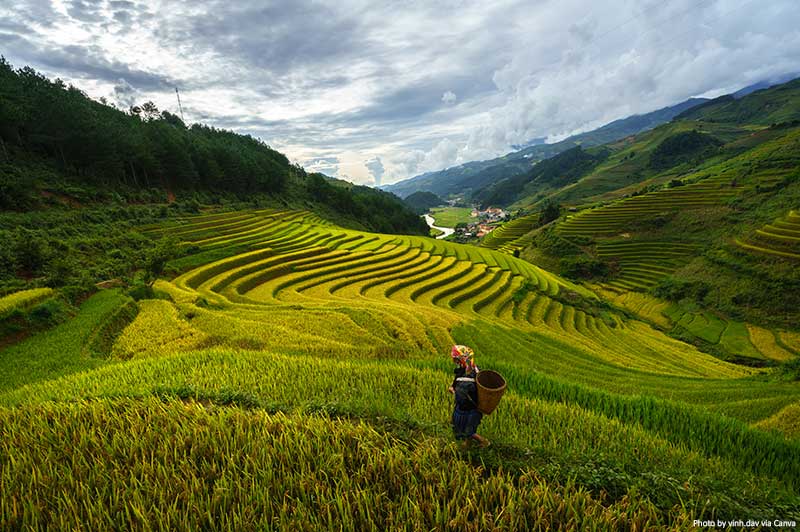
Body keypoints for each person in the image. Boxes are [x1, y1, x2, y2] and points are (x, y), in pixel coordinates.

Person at [448, 344, 490, 448]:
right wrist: (453, 389)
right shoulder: (460, 372)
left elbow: (483, 388)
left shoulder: (476, 372)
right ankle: (468, 445)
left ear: (464, 358)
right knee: (458, 427)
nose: (456, 363)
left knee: (469, 431)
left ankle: (484, 442)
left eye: (457, 360)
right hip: (461, 405)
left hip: (472, 407)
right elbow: (454, 385)